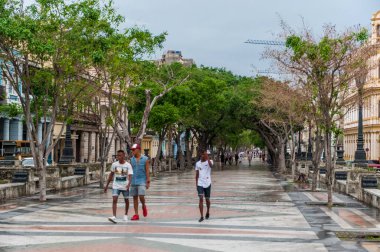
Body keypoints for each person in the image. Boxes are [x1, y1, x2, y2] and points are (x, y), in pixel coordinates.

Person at [104, 150, 133, 223]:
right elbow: (111, 175)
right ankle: (114, 216)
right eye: (117, 155)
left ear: (123, 156)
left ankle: (125, 215)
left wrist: (129, 184)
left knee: (126, 200)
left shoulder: (128, 165)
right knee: (114, 200)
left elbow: (130, 176)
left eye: (120, 155)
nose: (118, 157)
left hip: (125, 186)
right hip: (116, 185)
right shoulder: (114, 164)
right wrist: (106, 185)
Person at [130, 143, 150, 221]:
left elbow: (147, 170)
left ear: (138, 150)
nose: (132, 151)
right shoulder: (131, 159)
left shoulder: (145, 159)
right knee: (135, 197)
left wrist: (148, 181)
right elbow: (130, 170)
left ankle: (143, 205)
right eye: (132, 150)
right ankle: (136, 214)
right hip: (133, 180)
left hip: (142, 180)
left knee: (141, 195)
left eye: (134, 150)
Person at [195, 150, 213, 222]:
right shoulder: (197, 163)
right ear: (201, 155)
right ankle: (202, 216)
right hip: (200, 183)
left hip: (208, 183)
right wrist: (196, 184)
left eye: (206, 155)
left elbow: (211, 166)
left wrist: (207, 158)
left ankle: (208, 211)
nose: (204, 156)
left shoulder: (210, 161)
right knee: (201, 198)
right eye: (203, 155)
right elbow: (197, 174)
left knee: (207, 199)